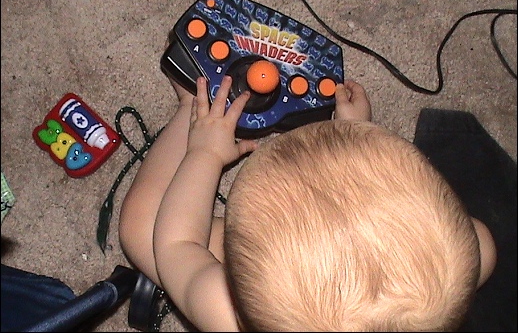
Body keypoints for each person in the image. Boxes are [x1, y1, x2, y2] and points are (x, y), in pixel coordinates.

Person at [119, 75, 497, 331]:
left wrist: (204, 154)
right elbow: (465, 238)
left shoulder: (226, 312)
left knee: (142, 227)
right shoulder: (475, 253)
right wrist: (353, 136)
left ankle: (191, 104)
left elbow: (174, 244)